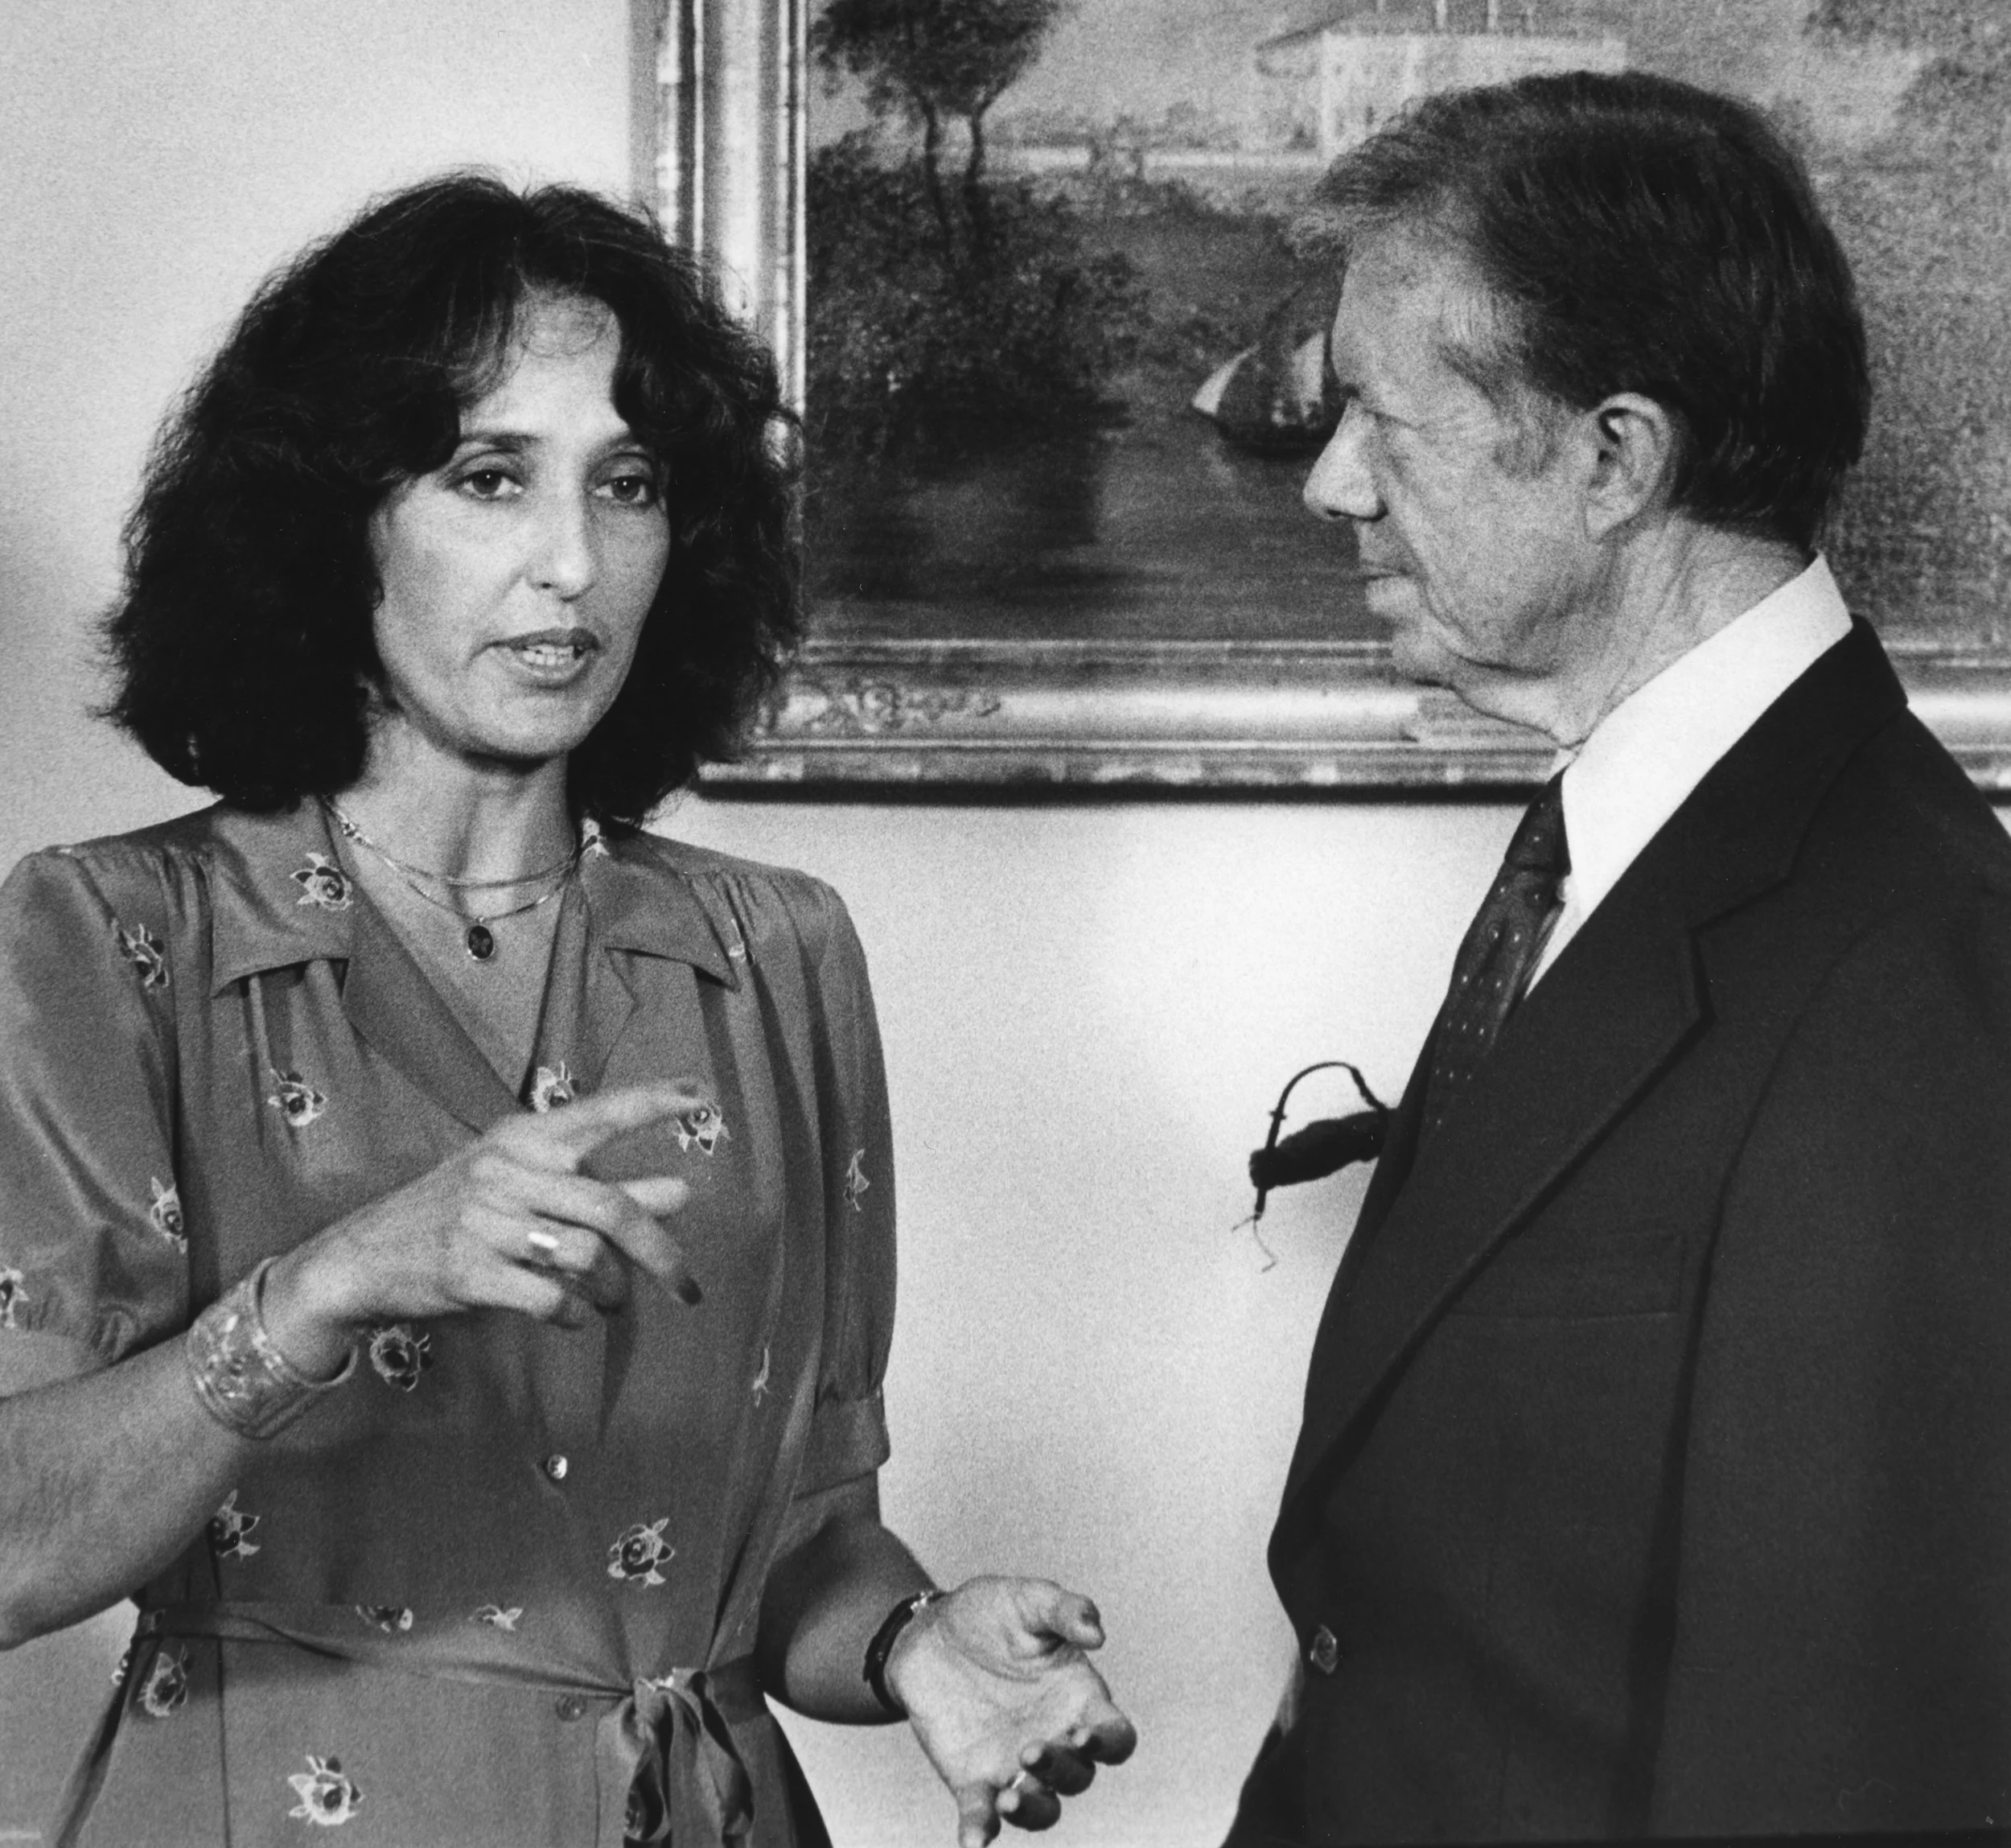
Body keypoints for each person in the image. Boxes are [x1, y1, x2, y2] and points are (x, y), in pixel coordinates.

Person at [0, 172, 1133, 1848]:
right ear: (333, 519)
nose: (571, 562)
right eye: (487, 477)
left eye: (630, 484)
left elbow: (811, 1540)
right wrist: (322, 1290)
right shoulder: (113, 934)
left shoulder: (777, 949)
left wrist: (911, 1643)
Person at [1228, 71, 2011, 1843]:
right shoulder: (1616, 850)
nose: (1328, 486)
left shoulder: (1915, 973)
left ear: (1611, 459)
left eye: (1380, 417)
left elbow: (1850, 1759)